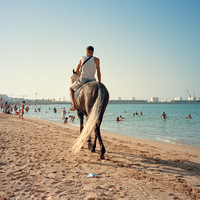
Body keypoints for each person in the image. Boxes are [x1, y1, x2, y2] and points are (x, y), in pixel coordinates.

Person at [69, 46, 101, 111]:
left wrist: (81, 74)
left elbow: (77, 70)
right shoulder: (97, 60)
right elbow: (98, 73)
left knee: (70, 89)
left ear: (87, 51)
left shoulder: (82, 58)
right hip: (92, 80)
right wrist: (100, 82)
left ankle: (74, 104)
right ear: (93, 52)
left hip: (83, 79)